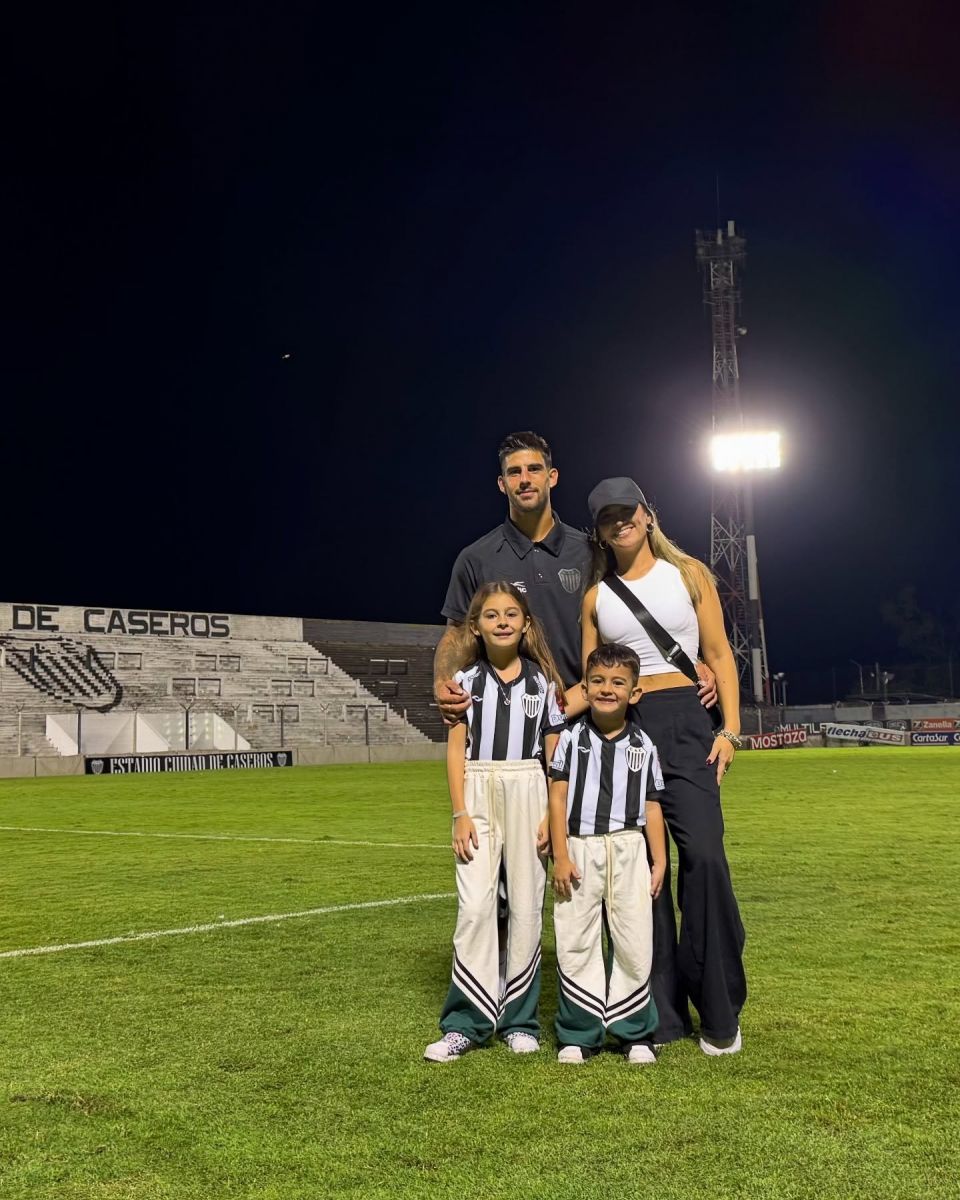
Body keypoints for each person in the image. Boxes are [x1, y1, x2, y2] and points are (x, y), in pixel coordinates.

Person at [579, 476, 746, 1055]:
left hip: (686, 725)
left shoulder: (691, 574)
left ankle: (719, 1005)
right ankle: (658, 1014)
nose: (619, 524)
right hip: (624, 731)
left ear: (647, 515)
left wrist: (729, 729)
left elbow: (720, 654)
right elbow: (589, 680)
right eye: (607, 518)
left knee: (705, 856)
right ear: (599, 531)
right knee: (642, 875)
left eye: (627, 513)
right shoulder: (596, 597)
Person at [434, 431, 718, 719]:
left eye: (534, 469)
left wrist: (690, 661)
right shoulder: (475, 558)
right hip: (511, 718)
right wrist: (442, 681)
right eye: (514, 472)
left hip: (588, 714)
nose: (524, 480)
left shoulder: (592, 552)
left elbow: (636, 608)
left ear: (552, 476)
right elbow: (457, 633)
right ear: (502, 483)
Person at [424, 581, 567, 1063]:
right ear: (476, 627)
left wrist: (551, 810)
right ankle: (465, 1022)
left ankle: (519, 1019)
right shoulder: (464, 683)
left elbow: (552, 753)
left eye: (511, 613)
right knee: (475, 907)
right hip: (479, 790)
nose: (502, 621)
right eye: (491, 614)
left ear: (526, 624)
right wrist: (460, 813)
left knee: (526, 905)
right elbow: (455, 750)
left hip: (529, 788)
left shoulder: (543, 684)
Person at [548, 643, 667, 1065]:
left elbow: (652, 805)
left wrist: (661, 859)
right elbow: (557, 799)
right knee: (575, 938)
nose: (606, 688)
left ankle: (634, 1034)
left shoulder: (644, 745)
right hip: (579, 847)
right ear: (586, 686)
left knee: (634, 939)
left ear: (634, 693)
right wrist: (560, 855)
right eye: (597, 680)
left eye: (618, 682)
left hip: (629, 847)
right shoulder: (571, 740)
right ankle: (579, 1034)